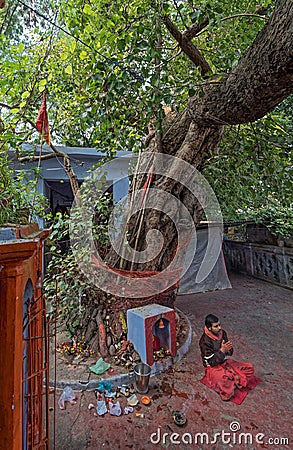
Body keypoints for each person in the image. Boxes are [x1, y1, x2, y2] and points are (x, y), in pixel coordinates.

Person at [199, 314, 254, 401]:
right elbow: (211, 362)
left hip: (223, 362)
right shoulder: (204, 341)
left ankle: (232, 380)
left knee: (249, 368)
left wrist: (227, 349)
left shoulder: (222, 333)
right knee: (224, 381)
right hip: (212, 367)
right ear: (209, 328)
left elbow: (230, 352)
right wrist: (222, 351)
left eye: (219, 325)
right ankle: (232, 381)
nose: (219, 328)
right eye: (216, 326)